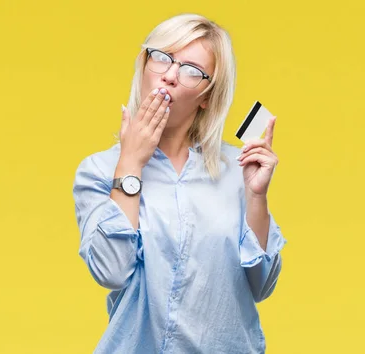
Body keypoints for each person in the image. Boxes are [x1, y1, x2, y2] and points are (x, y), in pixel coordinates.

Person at [72, 13, 287, 354]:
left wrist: (256, 196)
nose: (170, 75)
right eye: (161, 57)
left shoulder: (237, 171)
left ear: (206, 96)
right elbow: (110, 271)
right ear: (144, 65)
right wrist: (130, 164)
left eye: (191, 70)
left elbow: (260, 286)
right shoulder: (98, 170)